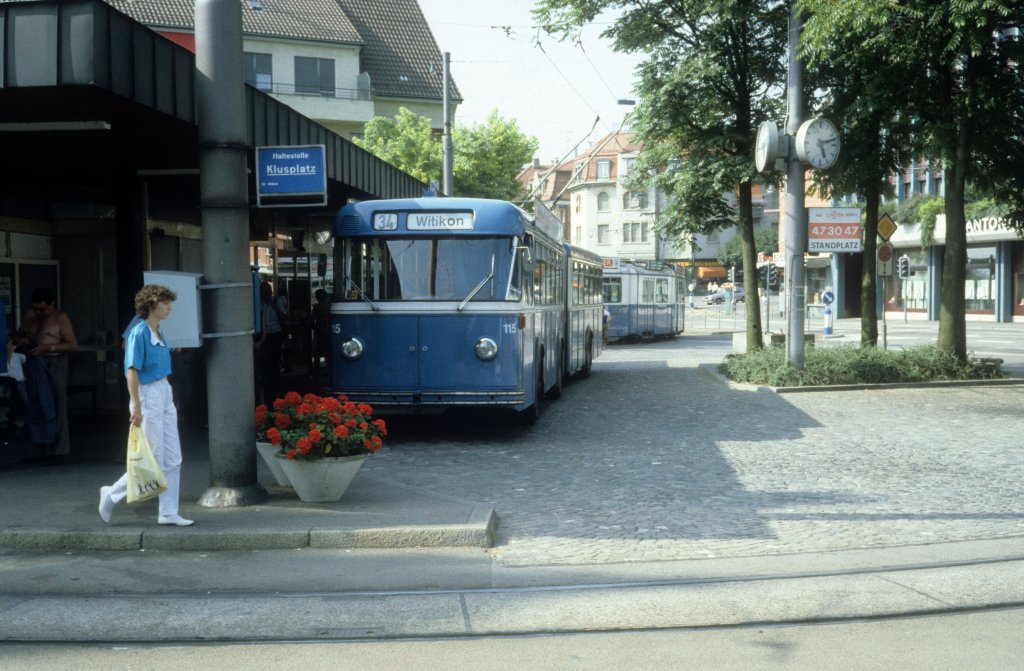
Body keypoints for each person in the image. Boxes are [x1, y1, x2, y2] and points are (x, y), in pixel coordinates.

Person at [98, 285, 193, 526]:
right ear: (151, 304)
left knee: (173, 458)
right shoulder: (138, 333)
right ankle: (111, 493)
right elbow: (131, 372)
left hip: (163, 390)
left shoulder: (158, 332)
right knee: (153, 458)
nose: (169, 307)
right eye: (165, 302)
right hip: (147, 393)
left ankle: (168, 511)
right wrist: (137, 407)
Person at [18, 287, 77, 463]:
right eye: (36, 308)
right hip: (34, 361)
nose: (38, 312)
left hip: (54, 360)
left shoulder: (60, 318)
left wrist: (48, 347)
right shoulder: (31, 316)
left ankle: (59, 451)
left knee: (57, 404)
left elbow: (73, 344)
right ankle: (38, 450)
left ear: (51, 305)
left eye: (42, 309)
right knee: (35, 404)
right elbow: (20, 334)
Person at [254, 280, 284, 404]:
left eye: (268, 291)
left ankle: (275, 391)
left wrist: (275, 306)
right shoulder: (258, 305)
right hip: (264, 336)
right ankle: (265, 395)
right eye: (264, 292)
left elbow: (284, 316)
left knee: (275, 363)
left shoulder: (277, 302)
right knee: (265, 364)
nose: (267, 294)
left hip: (275, 334)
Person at [311, 288, 331, 376]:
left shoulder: (316, 308)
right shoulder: (330, 306)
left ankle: (316, 371)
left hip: (319, 332)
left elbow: (312, 321)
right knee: (328, 353)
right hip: (329, 332)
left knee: (317, 353)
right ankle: (329, 371)